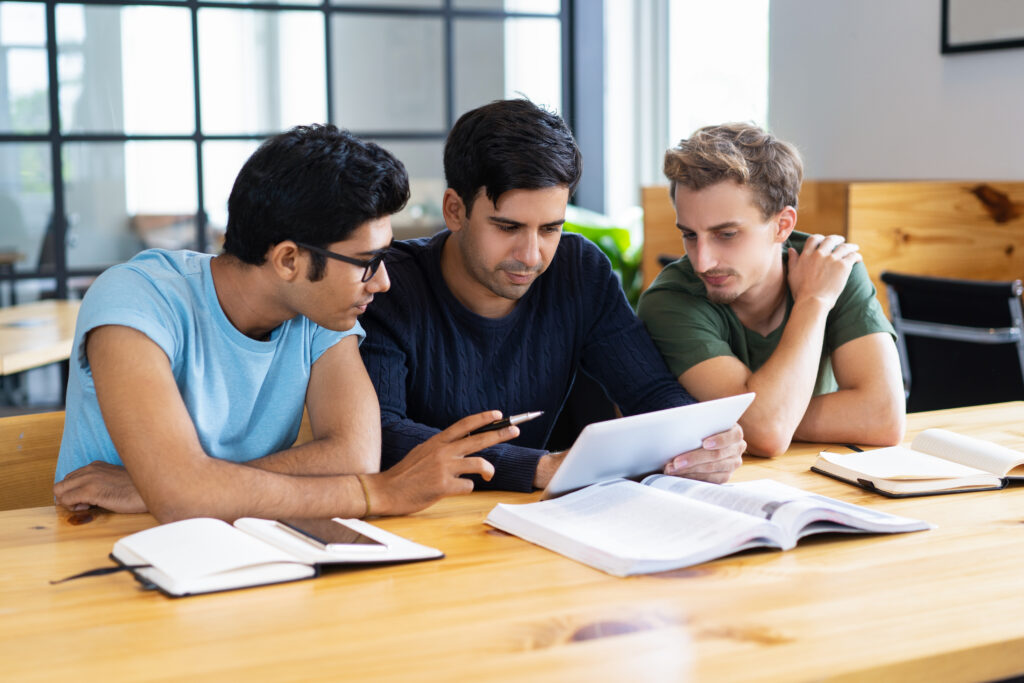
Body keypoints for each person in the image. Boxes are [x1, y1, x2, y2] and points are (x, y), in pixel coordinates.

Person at [53, 124, 517, 522]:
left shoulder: (320, 313)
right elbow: (183, 499)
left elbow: (354, 456)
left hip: (242, 547)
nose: (383, 283)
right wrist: (372, 493)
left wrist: (186, 486)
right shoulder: (137, 300)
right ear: (289, 260)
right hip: (99, 551)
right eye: (366, 261)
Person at [359, 99, 746, 493]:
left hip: (534, 517)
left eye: (549, 229)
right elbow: (384, 435)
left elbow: (649, 390)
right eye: (507, 227)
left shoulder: (578, 270)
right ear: (455, 210)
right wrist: (536, 468)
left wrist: (700, 440)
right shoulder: (385, 286)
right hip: (421, 521)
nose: (531, 256)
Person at [637, 123, 905, 457]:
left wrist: (768, 416)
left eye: (727, 234)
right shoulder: (670, 302)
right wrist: (813, 303)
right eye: (690, 235)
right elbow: (766, 433)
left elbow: (884, 418)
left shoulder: (833, 270)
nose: (702, 262)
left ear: (782, 225)